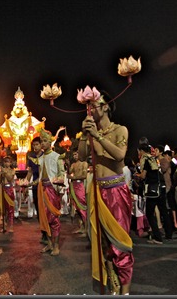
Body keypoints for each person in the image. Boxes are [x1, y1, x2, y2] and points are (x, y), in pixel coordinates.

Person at [78, 91, 133, 295]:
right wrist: (84, 134)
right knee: (102, 244)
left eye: (96, 105)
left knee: (120, 244)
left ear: (107, 106)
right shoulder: (90, 132)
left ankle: (125, 292)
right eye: (89, 106)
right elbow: (83, 156)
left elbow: (119, 156)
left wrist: (97, 136)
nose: (92, 109)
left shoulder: (120, 130)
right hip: (98, 192)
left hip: (116, 191)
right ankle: (113, 285)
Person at [35, 129, 65, 256]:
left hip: (52, 190)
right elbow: (40, 176)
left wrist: (59, 181)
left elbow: (61, 174)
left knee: (53, 218)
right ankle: (49, 244)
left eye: (45, 141)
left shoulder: (57, 157)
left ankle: (56, 245)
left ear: (50, 142)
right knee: (44, 218)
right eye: (41, 141)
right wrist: (29, 183)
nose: (42, 143)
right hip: (42, 190)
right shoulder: (40, 158)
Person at [69, 150, 88, 235]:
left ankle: (86, 227)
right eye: (73, 154)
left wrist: (74, 177)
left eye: (76, 154)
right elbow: (68, 174)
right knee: (76, 207)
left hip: (80, 185)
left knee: (82, 206)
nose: (74, 156)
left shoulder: (84, 163)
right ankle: (81, 227)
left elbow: (84, 176)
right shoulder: (73, 165)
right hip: (73, 185)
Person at [25, 137, 43, 227]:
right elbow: (30, 171)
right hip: (35, 186)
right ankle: (43, 229)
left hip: (44, 185)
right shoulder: (31, 158)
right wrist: (25, 183)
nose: (35, 147)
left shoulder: (45, 156)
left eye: (37, 144)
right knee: (38, 207)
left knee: (44, 208)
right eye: (33, 145)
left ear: (41, 145)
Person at [0, 156, 16, 233]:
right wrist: (0, 174)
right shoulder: (2, 171)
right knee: (3, 209)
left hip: (9, 190)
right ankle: (4, 226)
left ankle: (11, 226)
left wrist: (4, 172)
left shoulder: (12, 171)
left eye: (8, 161)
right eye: (5, 161)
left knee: (10, 209)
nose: (6, 163)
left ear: (10, 163)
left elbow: (9, 179)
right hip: (3, 189)